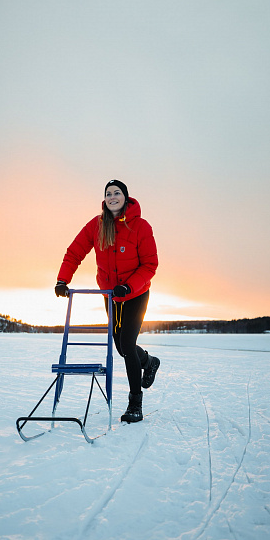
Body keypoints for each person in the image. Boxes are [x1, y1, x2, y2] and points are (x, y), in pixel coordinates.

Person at [55, 179, 160, 423]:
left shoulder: (141, 226)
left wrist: (129, 286)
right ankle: (148, 361)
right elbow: (75, 252)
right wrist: (62, 279)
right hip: (111, 295)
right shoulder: (97, 225)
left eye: (117, 193)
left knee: (127, 343)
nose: (112, 197)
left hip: (135, 293)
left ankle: (135, 403)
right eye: (108, 193)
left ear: (126, 197)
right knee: (122, 348)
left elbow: (150, 264)